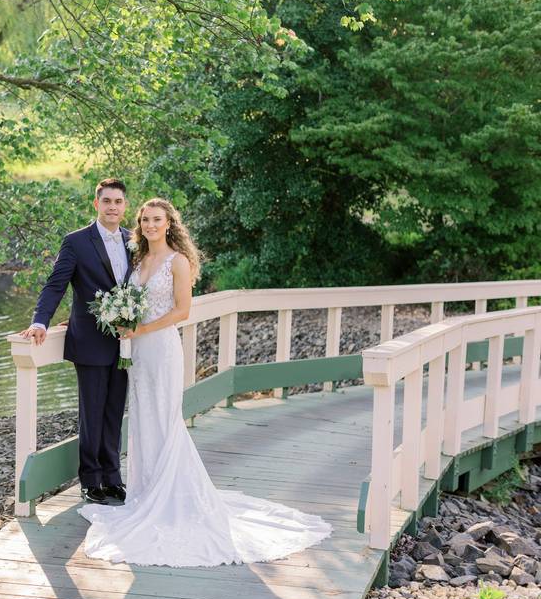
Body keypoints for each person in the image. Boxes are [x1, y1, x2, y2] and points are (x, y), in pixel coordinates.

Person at [77, 198, 332, 567]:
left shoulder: (177, 262)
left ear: (169, 224)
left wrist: (140, 328)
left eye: (157, 220)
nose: (150, 225)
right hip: (138, 355)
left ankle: (170, 497)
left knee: (165, 419)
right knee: (145, 420)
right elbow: (121, 299)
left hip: (161, 349)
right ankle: (146, 493)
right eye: (145, 219)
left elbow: (182, 311)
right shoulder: (138, 261)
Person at [20, 178, 133, 504]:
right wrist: (40, 321)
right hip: (90, 342)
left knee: (114, 412)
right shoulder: (76, 242)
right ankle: (91, 480)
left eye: (118, 201)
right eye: (107, 201)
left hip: (124, 343)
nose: (113, 206)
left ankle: (113, 477)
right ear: (95, 204)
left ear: (125, 206)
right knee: (92, 413)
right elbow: (56, 285)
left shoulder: (132, 241)